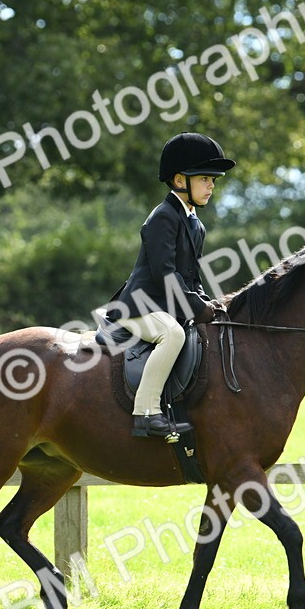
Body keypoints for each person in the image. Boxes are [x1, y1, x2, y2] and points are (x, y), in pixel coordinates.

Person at [111, 132, 234, 438]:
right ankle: (146, 412)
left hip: (164, 304)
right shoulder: (163, 217)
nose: (211, 186)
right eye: (205, 178)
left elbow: (191, 277)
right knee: (172, 333)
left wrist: (208, 304)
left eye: (213, 180)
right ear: (180, 180)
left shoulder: (195, 223)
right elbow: (165, 274)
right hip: (139, 304)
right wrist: (194, 307)